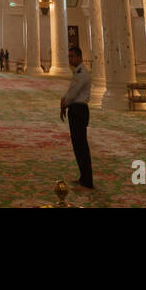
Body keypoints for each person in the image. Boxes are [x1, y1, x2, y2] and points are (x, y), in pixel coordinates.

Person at [60, 46, 93, 189]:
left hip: (79, 110)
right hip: (75, 109)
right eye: (69, 56)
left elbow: (74, 93)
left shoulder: (82, 73)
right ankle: (83, 177)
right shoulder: (78, 72)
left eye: (72, 56)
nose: (70, 59)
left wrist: (64, 103)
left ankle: (87, 180)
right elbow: (71, 91)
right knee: (78, 146)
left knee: (81, 146)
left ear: (80, 57)